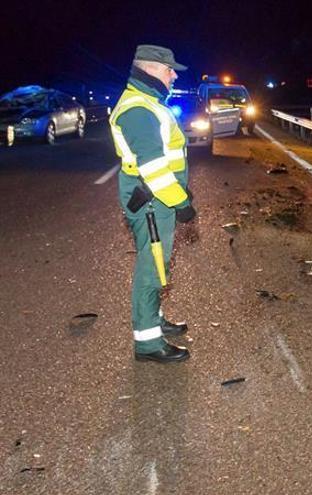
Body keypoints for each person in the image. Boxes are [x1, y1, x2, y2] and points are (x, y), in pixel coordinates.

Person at [109, 45, 196, 363]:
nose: (173, 75)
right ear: (149, 69)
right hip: (151, 200)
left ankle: (154, 320)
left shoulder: (148, 102)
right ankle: (147, 343)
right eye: (168, 69)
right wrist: (181, 202)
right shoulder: (138, 109)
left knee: (159, 262)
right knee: (152, 266)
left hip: (155, 198)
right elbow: (153, 169)